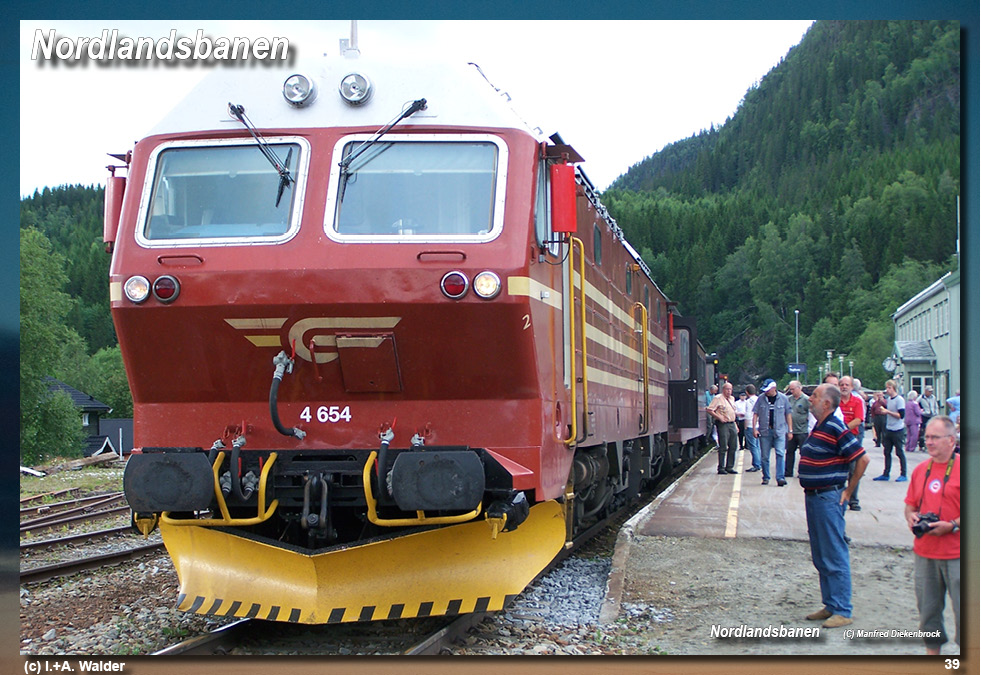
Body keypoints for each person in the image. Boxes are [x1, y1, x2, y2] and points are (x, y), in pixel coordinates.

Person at [799, 383, 869, 629]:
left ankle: (842, 609)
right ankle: (830, 604)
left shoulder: (836, 426)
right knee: (821, 553)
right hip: (815, 497)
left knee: (834, 552)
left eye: (815, 396)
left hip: (828, 498)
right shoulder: (820, 426)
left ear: (826, 403)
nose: (811, 399)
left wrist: (848, 491)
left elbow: (862, 458)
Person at [903, 416, 960, 655]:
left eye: (934, 437)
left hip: (958, 554)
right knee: (928, 612)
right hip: (925, 552)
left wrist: (953, 525)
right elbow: (910, 505)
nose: (929, 442)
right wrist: (911, 517)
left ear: (951, 440)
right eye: (926, 437)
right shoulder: (920, 470)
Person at [752, 379, 793, 486]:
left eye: (768, 390)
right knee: (765, 456)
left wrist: (790, 430)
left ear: (774, 388)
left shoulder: (783, 399)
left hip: (779, 431)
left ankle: (780, 477)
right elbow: (755, 413)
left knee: (780, 453)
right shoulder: (761, 399)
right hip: (765, 431)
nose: (766, 392)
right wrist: (754, 428)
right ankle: (766, 477)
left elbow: (788, 415)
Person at [838, 376, 866, 511]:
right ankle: (838, 496)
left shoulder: (857, 401)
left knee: (853, 469)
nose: (844, 387)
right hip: (836, 439)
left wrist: (843, 429)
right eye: (842, 384)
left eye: (847, 385)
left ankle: (853, 499)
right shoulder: (835, 401)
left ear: (852, 387)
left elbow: (858, 419)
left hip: (851, 438)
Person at [873, 379, 907, 482]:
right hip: (889, 428)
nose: (887, 390)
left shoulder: (899, 400)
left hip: (898, 429)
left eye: (889, 388)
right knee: (887, 451)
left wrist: (888, 412)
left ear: (894, 388)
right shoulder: (889, 400)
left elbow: (901, 415)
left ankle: (903, 473)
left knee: (899, 451)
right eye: (887, 387)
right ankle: (886, 473)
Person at [706, 381, 739, 475]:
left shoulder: (732, 399)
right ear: (723, 390)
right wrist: (719, 417)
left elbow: (733, 412)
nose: (729, 391)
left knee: (733, 446)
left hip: (732, 423)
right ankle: (721, 467)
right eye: (727, 389)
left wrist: (735, 425)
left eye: (730, 389)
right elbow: (709, 409)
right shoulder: (718, 398)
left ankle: (730, 466)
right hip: (723, 424)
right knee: (723, 446)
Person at [786, 380, 810, 479]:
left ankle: (803, 472)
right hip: (791, 430)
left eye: (793, 389)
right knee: (789, 451)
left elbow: (811, 412)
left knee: (803, 453)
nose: (791, 391)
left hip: (802, 430)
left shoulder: (806, 399)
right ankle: (788, 471)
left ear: (799, 388)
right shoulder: (789, 399)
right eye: (790, 389)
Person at [743, 384, 761, 472]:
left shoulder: (748, 401)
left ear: (747, 392)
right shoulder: (759, 399)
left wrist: (745, 425)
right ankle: (759, 463)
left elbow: (747, 414)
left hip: (751, 425)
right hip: (759, 425)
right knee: (758, 445)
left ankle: (756, 464)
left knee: (753, 446)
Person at [917, 385, 939, 450]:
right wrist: (921, 412)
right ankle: (921, 445)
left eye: (931, 391)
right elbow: (916, 405)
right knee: (923, 430)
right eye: (929, 391)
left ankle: (932, 443)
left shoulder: (933, 397)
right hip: (924, 416)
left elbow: (935, 405)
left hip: (932, 415)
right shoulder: (921, 398)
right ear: (926, 391)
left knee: (932, 429)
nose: (930, 393)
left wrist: (936, 412)